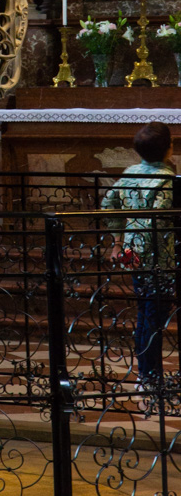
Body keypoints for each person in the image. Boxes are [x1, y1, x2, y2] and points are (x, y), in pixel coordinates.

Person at [101, 122, 176, 385]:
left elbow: (108, 202)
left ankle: (147, 373)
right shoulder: (166, 179)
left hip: (134, 254)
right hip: (160, 258)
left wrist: (119, 242)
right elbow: (160, 219)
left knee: (145, 315)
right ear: (170, 148)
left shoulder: (130, 172)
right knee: (153, 318)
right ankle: (150, 375)